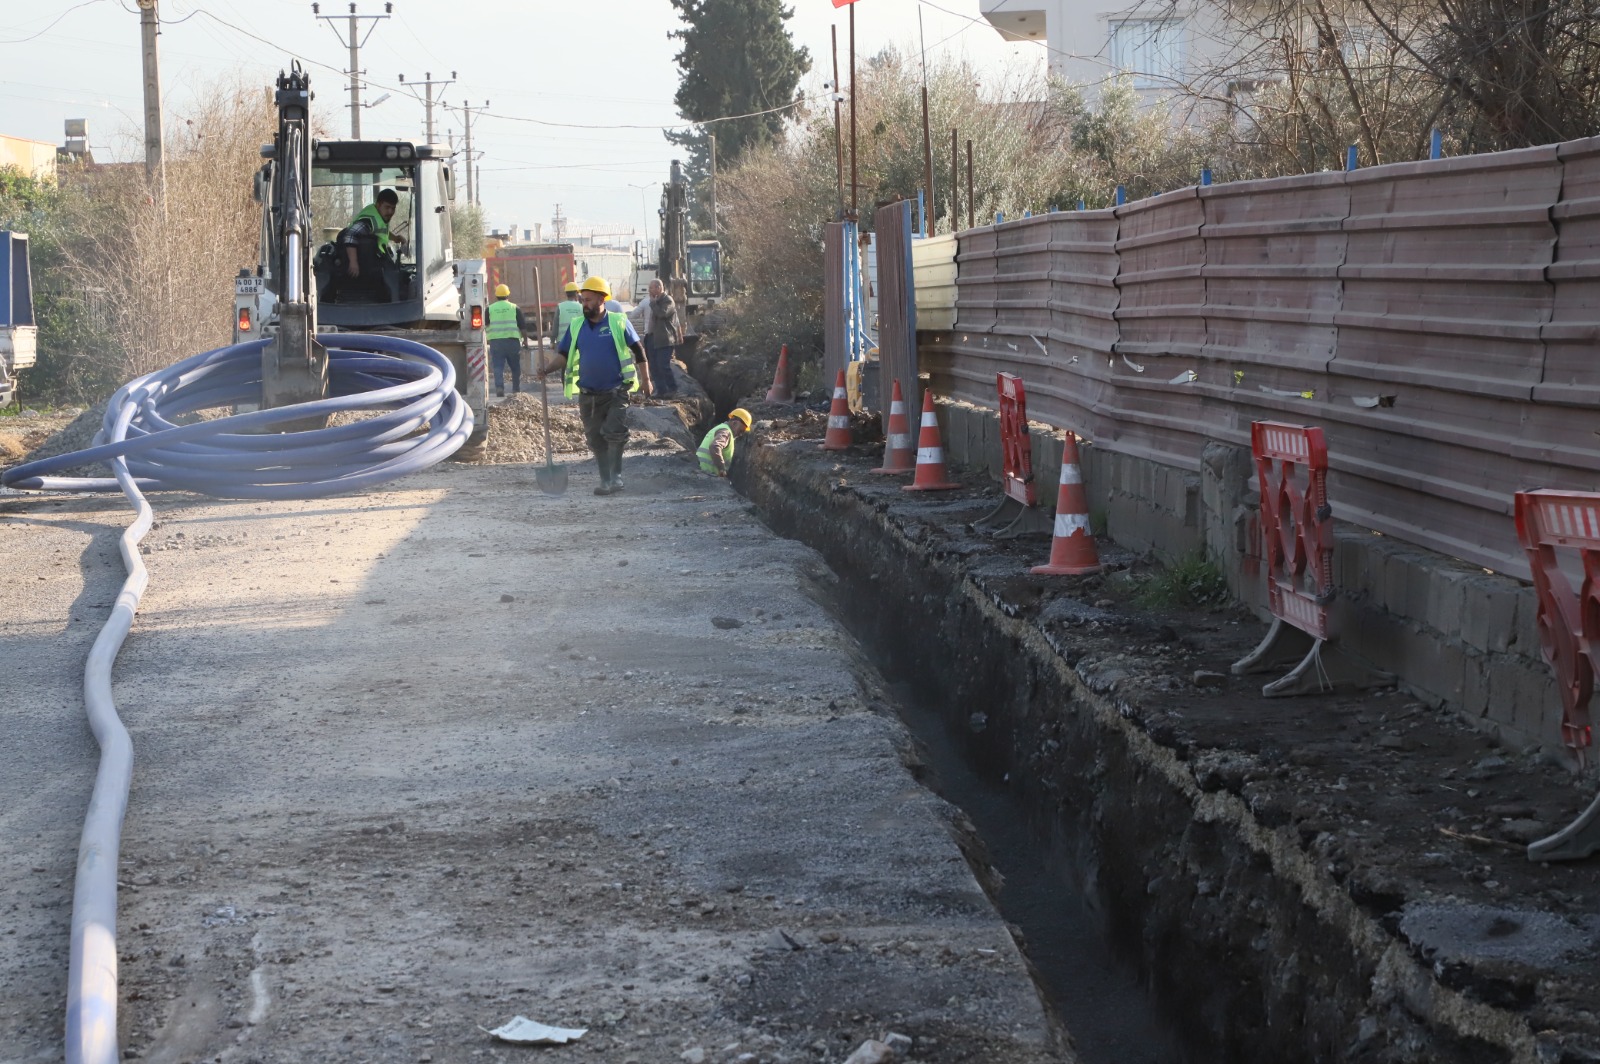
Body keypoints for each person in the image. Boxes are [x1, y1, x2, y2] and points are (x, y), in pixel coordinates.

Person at [543, 275, 651, 496]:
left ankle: (616, 477)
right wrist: (546, 370)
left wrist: (646, 380)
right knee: (595, 439)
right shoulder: (576, 326)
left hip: (616, 392)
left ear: (602, 299)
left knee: (614, 432)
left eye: (589, 300)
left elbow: (639, 351)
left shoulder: (618, 322)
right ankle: (605, 480)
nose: (584, 304)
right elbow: (563, 355)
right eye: (582, 300)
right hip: (588, 395)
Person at [336, 188, 408, 301]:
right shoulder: (368, 220)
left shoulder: (378, 218)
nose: (390, 212)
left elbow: (380, 231)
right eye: (387, 207)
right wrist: (353, 263)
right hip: (365, 267)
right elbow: (350, 235)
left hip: (373, 263)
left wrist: (395, 238)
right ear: (378, 205)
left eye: (393, 208)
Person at [486, 283, 530, 397]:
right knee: (515, 367)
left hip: (496, 342)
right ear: (508, 295)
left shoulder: (490, 309)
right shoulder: (514, 308)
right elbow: (523, 326)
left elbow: (484, 325)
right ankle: (516, 389)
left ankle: (499, 388)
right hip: (512, 341)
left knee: (498, 367)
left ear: (496, 295)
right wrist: (525, 340)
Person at [643, 278, 683, 399]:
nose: (649, 290)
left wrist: (654, 304)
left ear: (659, 288)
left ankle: (672, 389)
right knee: (654, 366)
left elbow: (662, 314)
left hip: (665, 339)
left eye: (651, 288)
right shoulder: (654, 301)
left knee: (663, 365)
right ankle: (661, 391)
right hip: (652, 338)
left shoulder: (668, 300)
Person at [697, 408, 752, 477]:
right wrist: (722, 469)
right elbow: (714, 446)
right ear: (734, 423)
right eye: (741, 430)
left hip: (699, 469)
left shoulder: (721, 428)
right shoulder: (726, 432)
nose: (740, 434)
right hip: (707, 473)